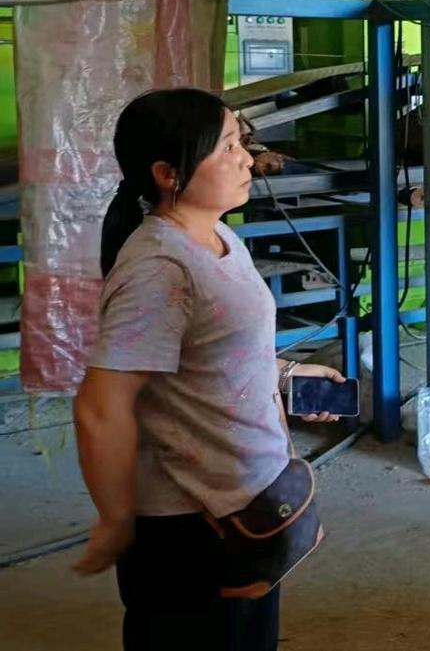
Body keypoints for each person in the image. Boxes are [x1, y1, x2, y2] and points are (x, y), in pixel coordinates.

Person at [72, 88, 346, 651]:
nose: (247, 159)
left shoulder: (219, 235)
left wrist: (286, 375)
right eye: (227, 148)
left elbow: (217, 351)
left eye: (241, 143)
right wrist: (116, 518)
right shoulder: (159, 268)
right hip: (188, 526)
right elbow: (101, 406)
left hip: (247, 505)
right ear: (168, 174)